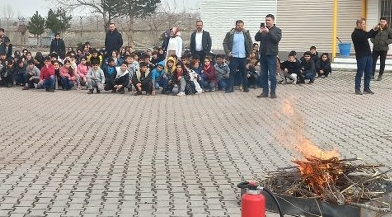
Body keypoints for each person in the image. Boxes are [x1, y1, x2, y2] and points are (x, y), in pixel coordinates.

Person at [255, 14, 282, 98]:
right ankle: (265, 92)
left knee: (272, 75)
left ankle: (273, 93)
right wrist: (259, 32)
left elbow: (276, 39)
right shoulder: (263, 30)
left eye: (269, 20)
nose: (267, 22)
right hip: (263, 55)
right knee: (263, 75)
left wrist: (268, 32)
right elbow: (256, 38)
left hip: (271, 55)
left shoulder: (277, 30)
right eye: (266, 20)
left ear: (273, 21)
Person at [222, 20, 253, 93]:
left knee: (244, 73)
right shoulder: (230, 34)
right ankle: (230, 88)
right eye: (239, 25)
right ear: (236, 25)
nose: (240, 27)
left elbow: (250, 42)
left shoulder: (246, 34)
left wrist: (250, 52)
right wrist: (228, 52)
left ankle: (245, 87)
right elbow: (225, 43)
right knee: (232, 73)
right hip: (234, 56)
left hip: (243, 56)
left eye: (242, 26)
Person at [351, 18, 379, 95]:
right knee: (360, 73)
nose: (364, 25)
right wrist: (372, 30)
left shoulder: (363, 32)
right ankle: (357, 89)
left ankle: (366, 88)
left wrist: (376, 30)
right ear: (359, 24)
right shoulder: (355, 34)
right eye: (363, 24)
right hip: (361, 56)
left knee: (368, 72)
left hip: (368, 55)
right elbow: (365, 36)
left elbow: (370, 35)